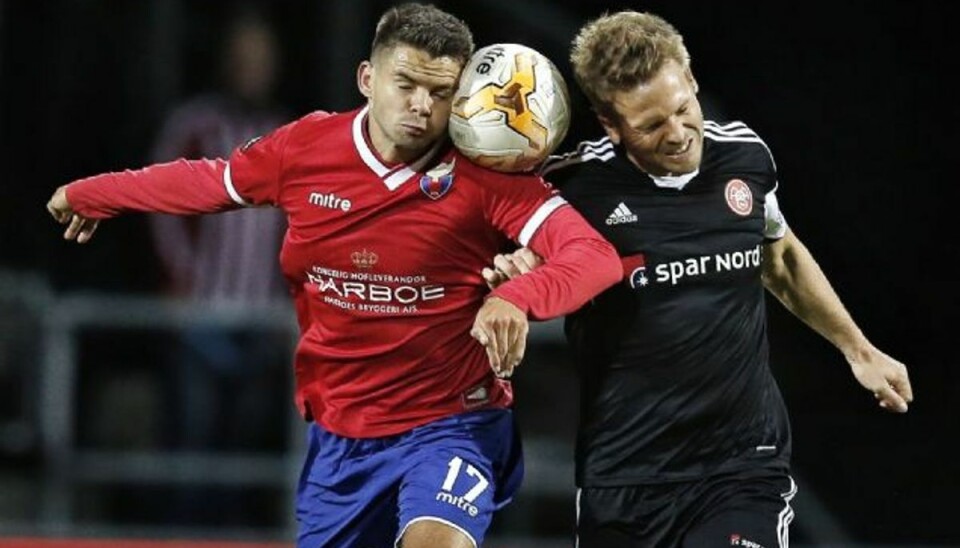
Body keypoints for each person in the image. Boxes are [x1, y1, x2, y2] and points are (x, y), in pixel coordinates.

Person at [44, 3, 621, 547]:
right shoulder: (305, 150)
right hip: (343, 435)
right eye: (406, 84)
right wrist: (97, 193)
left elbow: (592, 256)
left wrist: (519, 297)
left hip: (453, 424)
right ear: (368, 78)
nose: (421, 105)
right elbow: (207, 181)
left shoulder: (487, 177)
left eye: (440, 92)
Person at [482, 10, 914, 548]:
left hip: (741, 468)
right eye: (650, 125)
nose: (678, 134)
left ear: (690, 81)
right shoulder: (573, 192)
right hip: (623, 477)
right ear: (610, 124)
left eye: (683, 109)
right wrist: (515, 274)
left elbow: (779, 257)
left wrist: (859, 350)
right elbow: (504, 266)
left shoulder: (745, 156)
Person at [146, 11, 291, 524]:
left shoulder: (284, 134)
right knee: (193, 434)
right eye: (243, 58)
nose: (251, 68)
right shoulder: (196, 124)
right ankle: (181, 533)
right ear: (226, 62)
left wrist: (296, 299)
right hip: (201, 311)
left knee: (245, 440)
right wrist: (179, 280)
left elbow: (304, 222)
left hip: (262, 314)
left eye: (260, 58)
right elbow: (163, 206)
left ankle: (231, 532)